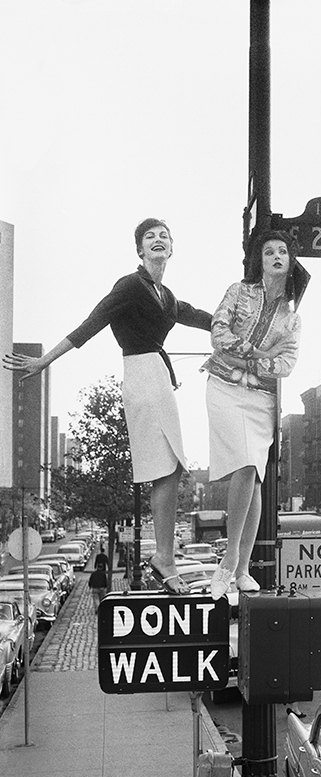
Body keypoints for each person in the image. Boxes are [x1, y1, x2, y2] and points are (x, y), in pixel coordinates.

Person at [3, 219, 212, 594]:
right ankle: (164, 558)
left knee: (172, 468)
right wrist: (44, 360)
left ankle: (164, 557)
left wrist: (237, 325)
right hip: (142, 374)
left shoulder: (164, 294)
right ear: (140, 251)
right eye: (150, 237)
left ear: (172, 248)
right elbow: (92, 322)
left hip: (158, 378)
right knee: (167, 465)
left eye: (164, 235)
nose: (158, 240)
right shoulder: (131, 285)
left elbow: (197, 316)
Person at [203, 230, 302, 600]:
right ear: (258, 260)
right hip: (224, 387)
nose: (276, 256)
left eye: (282, 251)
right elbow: (218, 332)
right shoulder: (238, 291)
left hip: (261, 399)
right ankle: (227, 564)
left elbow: (287, 364)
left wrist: (257, 358)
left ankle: (243, 570)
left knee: (256, 476)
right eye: (269, 251)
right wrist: (259, 352)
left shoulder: (291, 319)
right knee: (246, 466)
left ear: (290, 261)